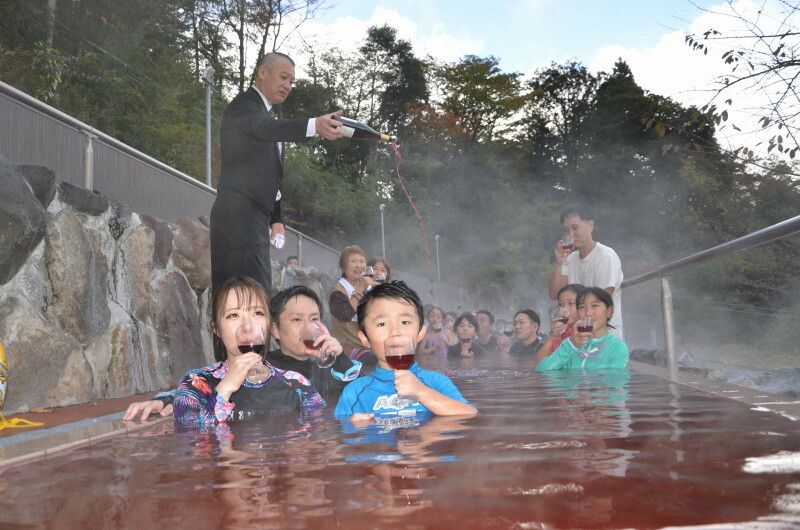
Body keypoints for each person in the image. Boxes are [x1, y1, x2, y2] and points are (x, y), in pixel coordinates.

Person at [210, 51, 345, 306]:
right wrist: (313, 125)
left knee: (254, 297)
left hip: (254, 219)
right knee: (243, 300)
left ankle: (251, 347)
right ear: (263, 72)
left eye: (292, 82)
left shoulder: (267, 115)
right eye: (284, 77)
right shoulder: (244, 105)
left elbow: (269, 175)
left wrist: (277, 218)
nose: (288, 86)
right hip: (237, 217)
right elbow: (263, 129)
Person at [123, 284, 360, 419]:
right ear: (274, 329)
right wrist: (169, 399)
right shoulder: (266, 364)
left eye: (314, 319)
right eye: (297, 319)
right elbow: (201, 387)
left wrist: (338, 358)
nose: (248, 326)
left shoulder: (301, 378)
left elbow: (359, 396)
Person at [173, 277, 325, 425]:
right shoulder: (196, 382)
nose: (247, 326)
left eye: (257, 313)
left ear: (268, 323)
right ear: (216, 329)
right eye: (233, 315)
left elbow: (319, 433)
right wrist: (225, 389)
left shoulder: (295, 382)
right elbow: (189, 436)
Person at [334, 281, 477, 420]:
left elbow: (468, 413)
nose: (395, 331)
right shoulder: (354, 392)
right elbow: (341, 432)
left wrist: (421, 391)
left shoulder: (436, 382)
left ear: (420, 333)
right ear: (365, 339)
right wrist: (354, 430)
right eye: (382, 324)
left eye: (405, 322)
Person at [547, 203, 624, 339]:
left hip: (603, 337)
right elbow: (555, 294)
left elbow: (601, 300)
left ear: (590, 225)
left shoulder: (605, 256)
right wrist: (559, 262)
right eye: (566, 230)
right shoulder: (570, 258)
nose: (570, 234)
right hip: (578, 336)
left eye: (575, 228)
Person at [537, 287, 629, 371]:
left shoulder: (618, 348)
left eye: (595, 305)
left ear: (609, 311)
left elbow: (613, 383)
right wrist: (571, 345)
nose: (588, 313)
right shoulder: (569, 343)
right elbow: (542, 370)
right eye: (582, 307)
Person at [329, 245, 375, 355]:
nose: (359, 265)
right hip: (348, 347)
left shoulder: (369, 288)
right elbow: (345, 314)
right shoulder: (337, 291)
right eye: (353, 261)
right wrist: (360, 289)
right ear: (343, 267)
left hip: (368, 344)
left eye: (362, 261)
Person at [535, 284, 585, 365]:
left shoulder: (590, 332)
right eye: (561, 304)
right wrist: (551, 337)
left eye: (571, 303)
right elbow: (539, 365)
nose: (564, 309)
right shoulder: (559, 334)